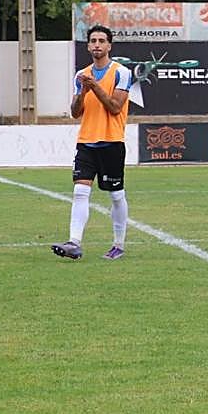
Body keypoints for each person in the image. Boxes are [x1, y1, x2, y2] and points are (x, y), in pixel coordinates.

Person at [52, 25, 134, 261]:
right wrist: (83, 92)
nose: (97, 44)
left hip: (111, 141)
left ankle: (118, 244)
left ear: (109, 46)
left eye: (101, 41)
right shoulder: (82, 75)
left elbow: (115, 107)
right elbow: (75, 112)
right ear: (88, 46)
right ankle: (74, 242)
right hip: (86, 141)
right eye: (93, 41)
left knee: (116, 195)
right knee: (80, 191)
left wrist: (94, 86)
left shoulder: (121, 72)